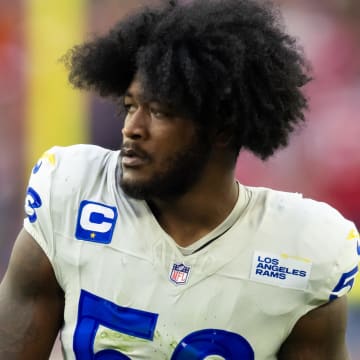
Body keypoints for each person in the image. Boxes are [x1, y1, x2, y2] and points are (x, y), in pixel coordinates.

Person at [0, 0, 359, 358]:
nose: (131, 128)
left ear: (222, 128)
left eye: (158, 111)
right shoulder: (72, 190)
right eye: (130, 106)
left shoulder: (302, 250)